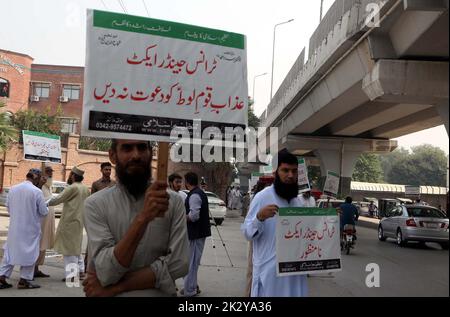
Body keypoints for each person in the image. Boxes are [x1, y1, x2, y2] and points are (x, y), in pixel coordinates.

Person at [82, 139, 189, 297]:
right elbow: (106, 271)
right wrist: (144, 218)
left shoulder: (173, 202)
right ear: (113, 156)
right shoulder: (95, 204)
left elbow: (179, 264)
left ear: (151, 153)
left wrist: (116, 288)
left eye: (141, 147)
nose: (136, 155)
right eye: (127, 148)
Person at [241, 149, 308, 297]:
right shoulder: (262, 197)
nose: (290, 175)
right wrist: (259, 217)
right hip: (269, 276)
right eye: (285, 170)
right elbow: (246, 232)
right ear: (275, 172)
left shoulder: (298, 202)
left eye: (294, 171)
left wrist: (329, 221)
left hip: (294, 275)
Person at [0, 170, 48, 290]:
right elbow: (43, 211)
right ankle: (24, 280)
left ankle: (2, 277)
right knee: (30, 253)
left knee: (9, 253)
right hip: (30, 229)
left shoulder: (13, 189)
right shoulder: (37, 191)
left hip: (15, 228)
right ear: (36, 177)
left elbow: (8, 208)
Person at [48, 166, 90, 282]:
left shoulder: (72, 188)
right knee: (75, 247)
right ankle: (80, 271)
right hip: (79, 221)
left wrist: (43, 203)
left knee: (69, 250)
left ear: (73, 176)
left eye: (70, 174)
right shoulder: (85, 188)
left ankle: (72, 276)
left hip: (69, 222)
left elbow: (58, 199)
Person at [181, 172, 211, 297]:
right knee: (193, 262)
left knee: (191, 263)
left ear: (187, 182)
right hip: (197, 233)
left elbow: (194, 216)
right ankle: (191, 287)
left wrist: (181, 217)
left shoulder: (194, 196)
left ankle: (190, 290)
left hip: (195, 234)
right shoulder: (198, 193)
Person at [244, 179, 271, 297]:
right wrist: (260, 217)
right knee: (252, 270)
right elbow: (248, 229)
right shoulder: (259, 198)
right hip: (256, 241)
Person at [34, 166, 56, 278]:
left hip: (48, 220)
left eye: (51, 172)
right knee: (38, 243)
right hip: (41, 220)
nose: (50, 174)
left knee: (44, 243)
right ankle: (31, 269)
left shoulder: (48, 185)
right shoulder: (38, 186)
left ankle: (36, 268)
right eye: (47, 172)